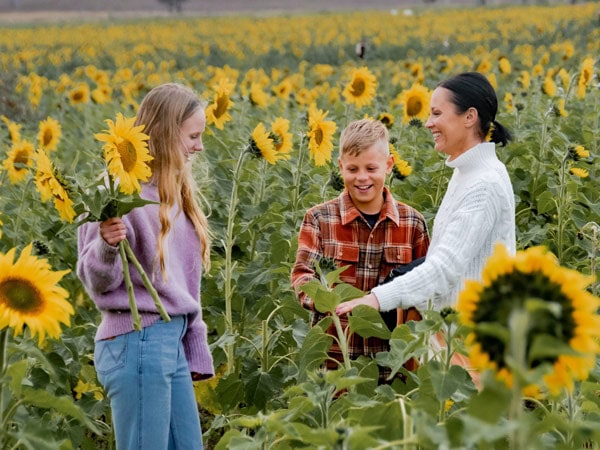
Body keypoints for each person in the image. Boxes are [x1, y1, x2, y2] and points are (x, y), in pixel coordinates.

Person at [335, 72, 516, 382]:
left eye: (436, 113)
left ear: (469, 117)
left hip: (471, 345)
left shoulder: (484, 183)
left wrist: (375, 299)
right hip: (453, 337)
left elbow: (443, 269)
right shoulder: (468, 173)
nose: (429, 123)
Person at [77, 83, 213, 450]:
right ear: (167, 134)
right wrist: (106, 245)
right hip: (136, 340)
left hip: (170, 341)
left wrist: (193, 344)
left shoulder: (176, 195)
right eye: (193, 136)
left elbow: (186, 285)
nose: (199, 146)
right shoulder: (115, 192)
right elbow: (96, 281)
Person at [291, 118, 430, 383]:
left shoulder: (412, 223)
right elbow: (302, 276)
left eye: (371, 168)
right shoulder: (320, 219)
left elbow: (427, 282)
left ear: (388, 165)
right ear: (340, 166)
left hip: (393, 359)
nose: (362, 177)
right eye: (353, 169)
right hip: (335, 356)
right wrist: (330, 302)